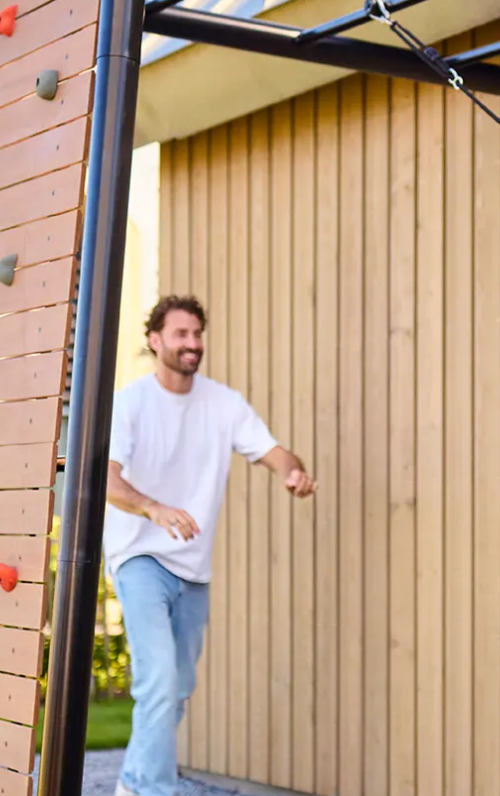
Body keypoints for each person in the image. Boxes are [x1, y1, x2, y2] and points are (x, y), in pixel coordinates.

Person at [105, 295, 316, 796]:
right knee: (158, 682)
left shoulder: (224, 404)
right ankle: (154, 790)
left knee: (175, 691)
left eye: (197, 333)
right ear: (155, 340)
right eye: (181, 334)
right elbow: (106, 481)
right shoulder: (131, 404)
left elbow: (275, 453)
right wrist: (153, 508)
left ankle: (132, 783)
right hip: (140, 558)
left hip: (193, 569)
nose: (192, 343)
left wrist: (292, 473)